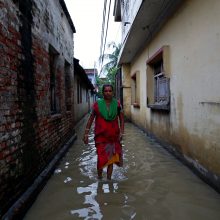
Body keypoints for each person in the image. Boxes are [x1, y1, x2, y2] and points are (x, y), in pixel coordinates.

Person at [83, 84, 124, 180]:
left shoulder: (117, 105)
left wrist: (122, 132)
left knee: (110, 159)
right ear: (103, 92)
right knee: (101, 159)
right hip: (101, 137)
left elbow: (122, 120)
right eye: (106, 91)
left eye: (110, 91)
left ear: (112, 92)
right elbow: (90, 119)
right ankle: (100, 178)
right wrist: (86, 133)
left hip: (113, 137)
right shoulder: (97, 105)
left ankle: (109, 180)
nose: (108, 93)